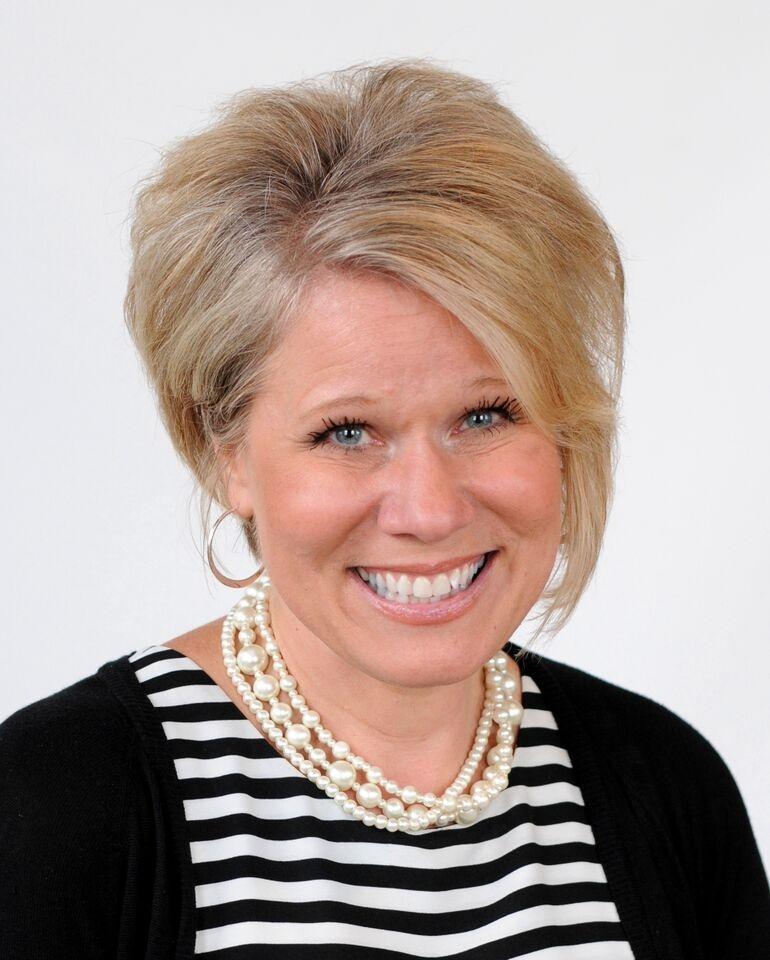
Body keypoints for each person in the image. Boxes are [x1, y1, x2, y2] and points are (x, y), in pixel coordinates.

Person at [1, 57, 768, 959]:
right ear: (226, 455)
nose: (429, 511)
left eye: (487, 415)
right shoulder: (56, 807)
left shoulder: (667, 785)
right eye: (347, 432)